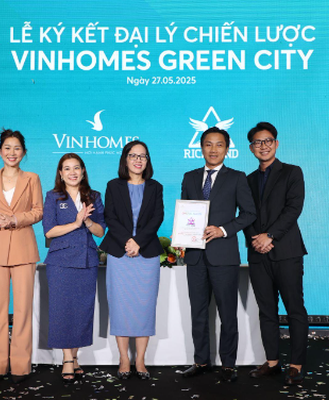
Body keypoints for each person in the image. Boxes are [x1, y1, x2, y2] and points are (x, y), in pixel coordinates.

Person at [180, 127, 256, 383]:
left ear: (227, 149)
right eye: (208, 144)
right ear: (201, 147)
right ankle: (200, 361)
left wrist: (223, 230)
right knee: (198, 312)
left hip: (224, 256)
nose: (213, 150)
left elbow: (249, 213)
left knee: (227, 313)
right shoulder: (189, 177)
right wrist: (182, 237)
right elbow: (185, 214)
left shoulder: (237, 177)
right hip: (195, 256)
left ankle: (228, 364)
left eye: (219, 145)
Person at [0, 128, 43, 384]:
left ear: (24, 152)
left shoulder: (32, 178)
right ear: (0, 151)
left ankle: (21, 367)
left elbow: (38, 211)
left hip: (24, 250)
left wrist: (15, 219)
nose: (12, 153)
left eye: (17, 148)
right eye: (7, 148)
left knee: (23, 312)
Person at [244, 122, 308, 385]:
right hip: (257, 254)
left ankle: (296, 365)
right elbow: (246, 214)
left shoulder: (292, 172)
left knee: (294, 309)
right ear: (251, 148)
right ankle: (272, 363)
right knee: (266, 311)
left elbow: (293, 208)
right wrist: (256, 240)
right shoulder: (247, 180)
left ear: (276, 143)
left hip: (286, 251)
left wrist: (269, 236)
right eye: (258, 142)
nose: (263, 146)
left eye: (268, 140)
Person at [100, 140, 164, 380]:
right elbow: (110, 217)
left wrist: (138, 242)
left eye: (143, 156)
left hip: (146, 255)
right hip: (120, 253)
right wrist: (128, 241)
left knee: (144, 306)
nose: (138, 160)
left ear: (147, 161)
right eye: (133, 155)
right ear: (125, 159)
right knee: (121, 305)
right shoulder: (113, 185)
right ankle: (124, 359)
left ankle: (140, 360)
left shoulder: (155, 187)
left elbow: (157, 217)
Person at [42, 153, 105, 382]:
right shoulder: (53, 196)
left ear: (83, 171)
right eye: (67, 168)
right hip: (60, 261)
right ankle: (67, 358)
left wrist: (87, 221)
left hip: (87, 260)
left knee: (81, 311)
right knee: (62, 310)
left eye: (76, 167)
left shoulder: (94, 196)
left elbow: (101, 231)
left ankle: (75, 357)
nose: (72, 172)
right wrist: (76, 223)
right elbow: (49, 231)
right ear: (60, 173)